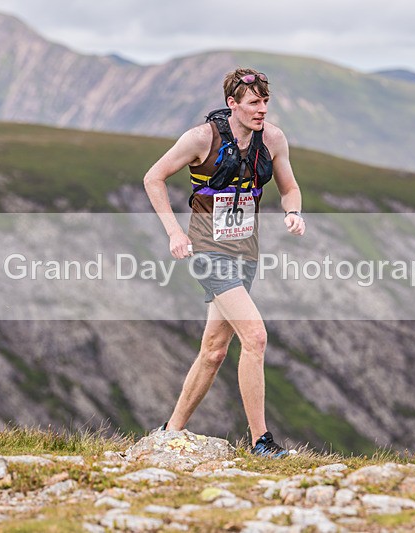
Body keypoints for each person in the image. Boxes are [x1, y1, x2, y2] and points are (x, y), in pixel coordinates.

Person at [143, 68, 305, 458]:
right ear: (232, 104)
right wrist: (174, 233)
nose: (262, 110)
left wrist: (293, 212)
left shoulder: (273, 139)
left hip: (245, 253)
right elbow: (153, 178)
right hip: (208, 253)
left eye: (265, 102)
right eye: (253, 103)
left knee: (214, 350)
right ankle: (261, 441)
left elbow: (290, 187)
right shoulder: (201, 139)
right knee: (256, 337)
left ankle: (169, 432)